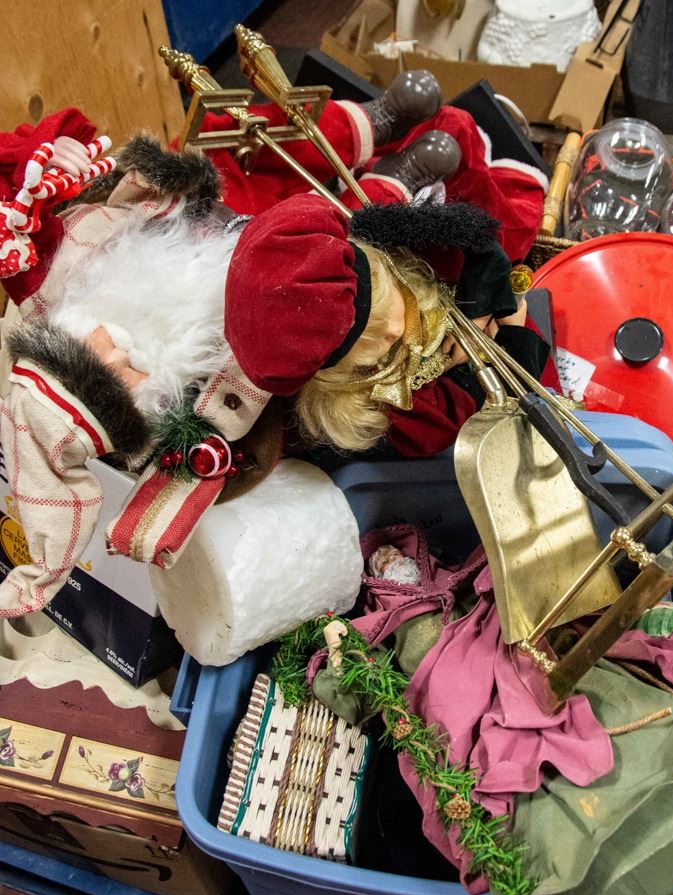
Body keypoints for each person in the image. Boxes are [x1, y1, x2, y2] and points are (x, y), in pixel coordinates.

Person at [0, 73, 548, 616]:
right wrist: (514, 336)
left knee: (248, 171)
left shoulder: (87, 248)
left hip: (238, 238)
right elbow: (48, 475)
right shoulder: (242, 381)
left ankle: (372, 134)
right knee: (301, 216)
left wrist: (52, 156)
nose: (117, 356)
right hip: (274, 305)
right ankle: (392, 179)